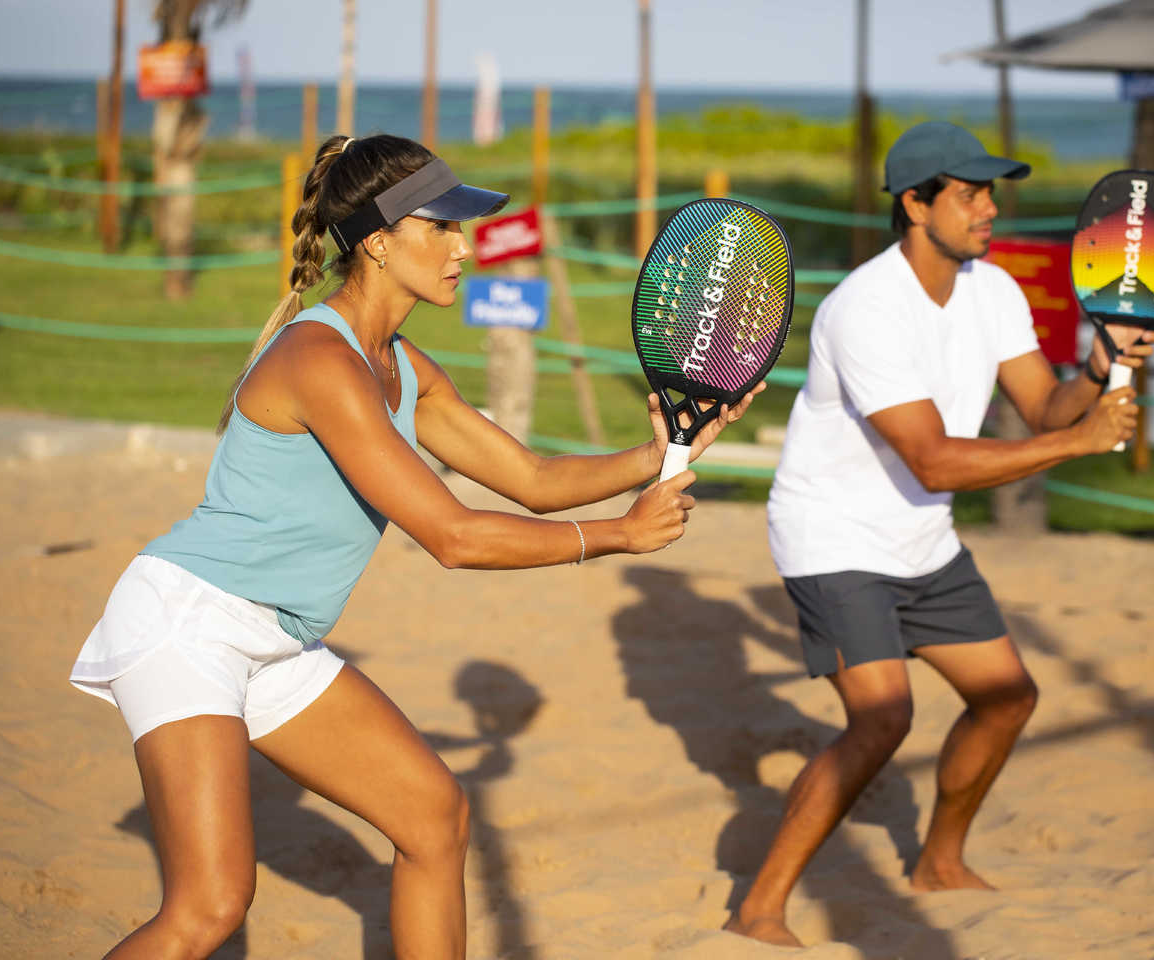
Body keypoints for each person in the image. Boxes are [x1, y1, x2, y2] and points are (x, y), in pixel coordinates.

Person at [69, 132, 762, 960]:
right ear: (378, 241)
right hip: (191, 622)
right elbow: (454, 536)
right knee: (212, 906)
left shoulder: (402, 364)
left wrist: (658, 454)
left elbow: (532, 476)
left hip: (277, 638)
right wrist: (616, 535)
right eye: (441, 227)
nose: (463, 249)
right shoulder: (320, 359)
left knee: (434, 816)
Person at [725, 121, 1154, 947]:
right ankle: (759, 907)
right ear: (915, 204)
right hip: (834, 534)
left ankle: (939, 862)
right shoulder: (866, 308)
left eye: (991, 191)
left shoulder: (993, 291)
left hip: (922, 537)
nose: (990, 208)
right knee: (884, 718)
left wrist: (1102, 368)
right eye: (970, 193)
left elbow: (1043, 406)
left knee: (1007, 698)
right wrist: (1076, 442)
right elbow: (931, 459)